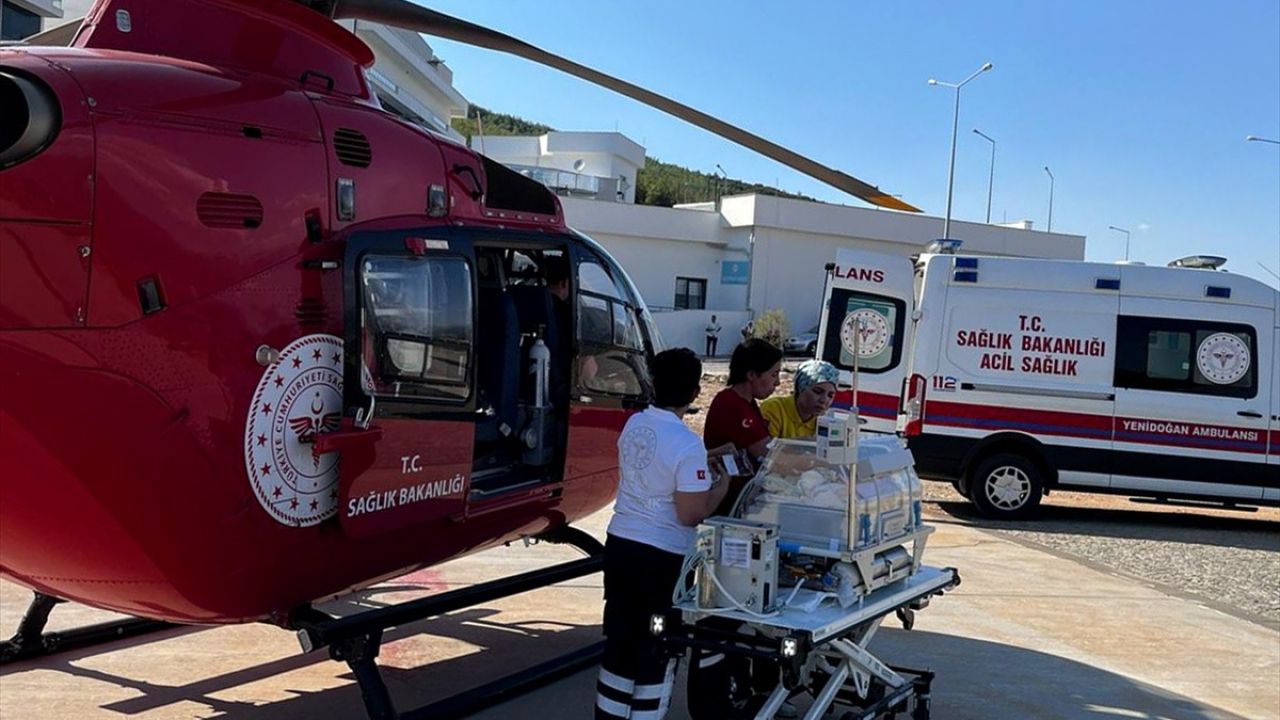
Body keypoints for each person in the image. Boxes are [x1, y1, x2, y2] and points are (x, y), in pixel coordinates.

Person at [595, 348, 731, 720]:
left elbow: (653, 466)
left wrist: (705, 460)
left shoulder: (634, 425)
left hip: (621, 544)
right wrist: (720, 486)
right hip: (662, 557)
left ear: (652, 384)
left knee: (621, 644)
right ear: (694, 392)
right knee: (657, 648)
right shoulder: (687, 446)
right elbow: (690, 514)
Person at [688, 338, 784, 720]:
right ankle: (719, 696)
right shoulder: (730, 404)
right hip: (727, 520)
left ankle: (746, 687)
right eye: (774, 375)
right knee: (724, 613)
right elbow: (769, 453)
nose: (778, 382)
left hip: (744, 517)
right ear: (751, 374)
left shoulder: (750, 406)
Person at [760, 359, 840, 438]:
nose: (824, 400)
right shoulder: (774, 409)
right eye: (817, 392)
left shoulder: (824, 420)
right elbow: (766, 449)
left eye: (830, 395)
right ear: (801, 388)